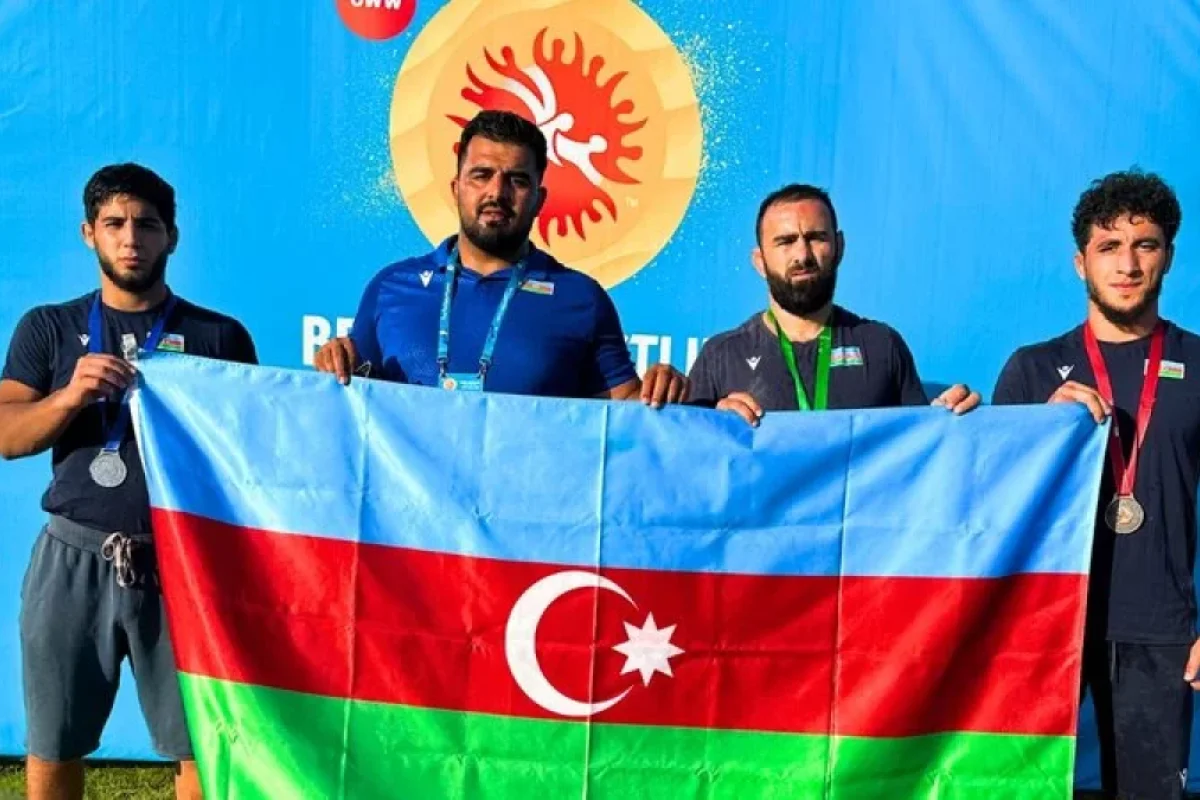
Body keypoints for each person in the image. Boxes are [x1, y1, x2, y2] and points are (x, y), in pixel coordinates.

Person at [0, 163, 258, 800]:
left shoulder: (219, 336)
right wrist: (68, 398)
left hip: (181, 562)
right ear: (89, 233)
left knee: (199, 747)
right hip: (72, 555)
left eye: (147, 224)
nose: (131, 238)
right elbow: (7, 435)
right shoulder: (47, 327)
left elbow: (251, 455)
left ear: (173, 236)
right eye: (114, 223)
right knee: (54, 744)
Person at [993, 169, 1200, 799]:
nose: (1128, 265)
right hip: (1043, 624)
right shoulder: (1032, 370)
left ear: (1168, 256)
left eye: (1145, 245)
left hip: (1159, 630)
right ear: (1081, 262)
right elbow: (989, 504)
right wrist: (1040, 430)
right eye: (1109, 247)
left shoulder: (1199, 365)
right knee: (1019, 791)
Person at [313, 110, 688, 405]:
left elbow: (627, 414)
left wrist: (664, 393)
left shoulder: (581, 298)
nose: (497, 192)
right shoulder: (391, 287)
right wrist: (335, 363)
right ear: (456, 189)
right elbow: (353, 397)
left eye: (517, 180)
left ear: (539, 199)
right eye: (481, 175)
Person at [688, 183, 980, 422]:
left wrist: (947, 421)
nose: (802, 255)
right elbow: (688, 459)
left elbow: (916, 451)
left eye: (816, 238)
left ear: (839, 248)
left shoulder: (882, 345)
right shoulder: (721, 356)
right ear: (759, 261)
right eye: (785, 241)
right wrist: (714, 427)